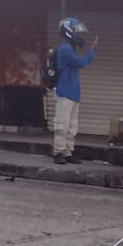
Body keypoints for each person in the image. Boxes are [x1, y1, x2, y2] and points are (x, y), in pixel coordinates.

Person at [51, 17, 96, 165]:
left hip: (73, 93)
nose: (80, 36)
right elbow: (81, 63)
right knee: (62, 125)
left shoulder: (70, 48)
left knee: (71, 127)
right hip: (65, 93)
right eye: (78, 32)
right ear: (69, 32)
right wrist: (92, 51)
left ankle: (68, 152)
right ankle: (58, 152)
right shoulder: (65, 49)